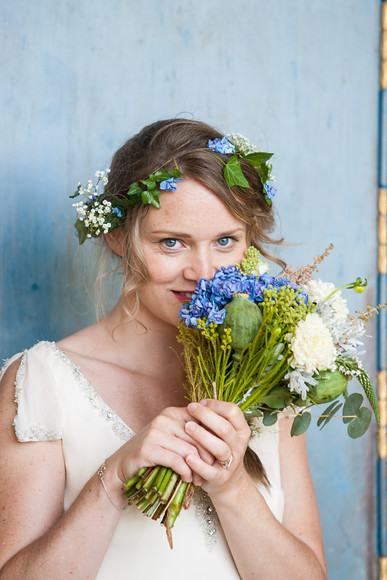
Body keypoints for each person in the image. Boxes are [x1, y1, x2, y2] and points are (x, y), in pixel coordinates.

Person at [0, 118, 327, 579]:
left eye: (225, 241)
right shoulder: (42, 382)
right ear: (117, 238)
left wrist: (232, 487)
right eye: (171, 242)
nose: (203, 272)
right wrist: (112, 479)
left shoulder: (270, 378)